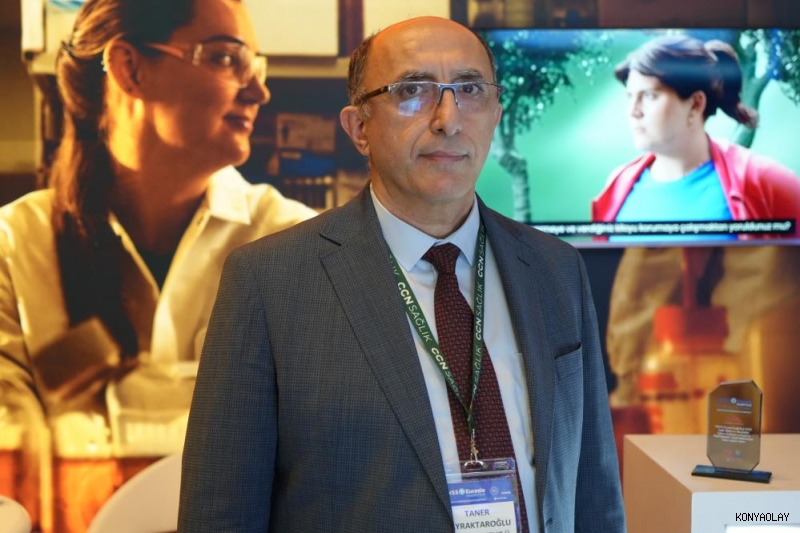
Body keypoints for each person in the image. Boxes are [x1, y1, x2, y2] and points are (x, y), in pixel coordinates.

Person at [179, 16, 624, 533]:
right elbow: (220, 512)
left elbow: (594, 493)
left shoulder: (554, 268)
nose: (448, 119)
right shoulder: (270, 281)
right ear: (359, 128)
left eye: (470, 90)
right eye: (413, 90)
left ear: (496, 115)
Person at [0, 0, 316, 529]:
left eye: (254, 66)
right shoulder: (13, 250)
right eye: (225, 58)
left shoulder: (299, 246)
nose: (259, 91)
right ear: (130, 68)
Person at [592, 35, 800, 241]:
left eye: (649, 96)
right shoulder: (617, 185)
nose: (633, 111)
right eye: (631, 97)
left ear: (695, 104)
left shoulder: (765, 181)